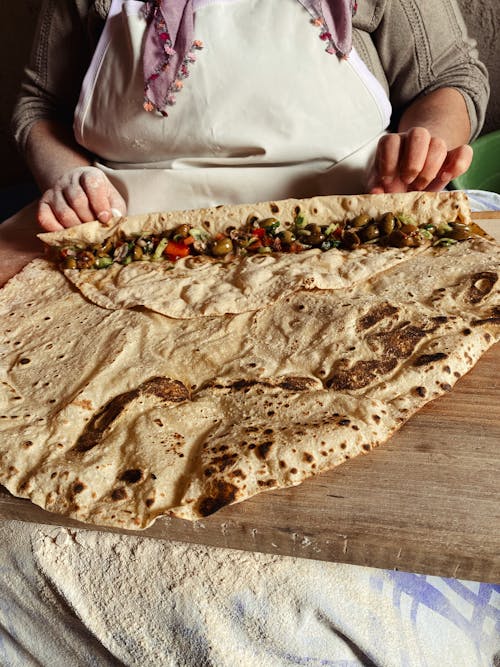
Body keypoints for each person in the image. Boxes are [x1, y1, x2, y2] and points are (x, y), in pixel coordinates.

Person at [12, 0, 489, 233]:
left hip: (356, 224)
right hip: (127, 238)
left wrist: (422, 146)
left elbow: (447, 76)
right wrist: (70, 178)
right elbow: (40, 108)